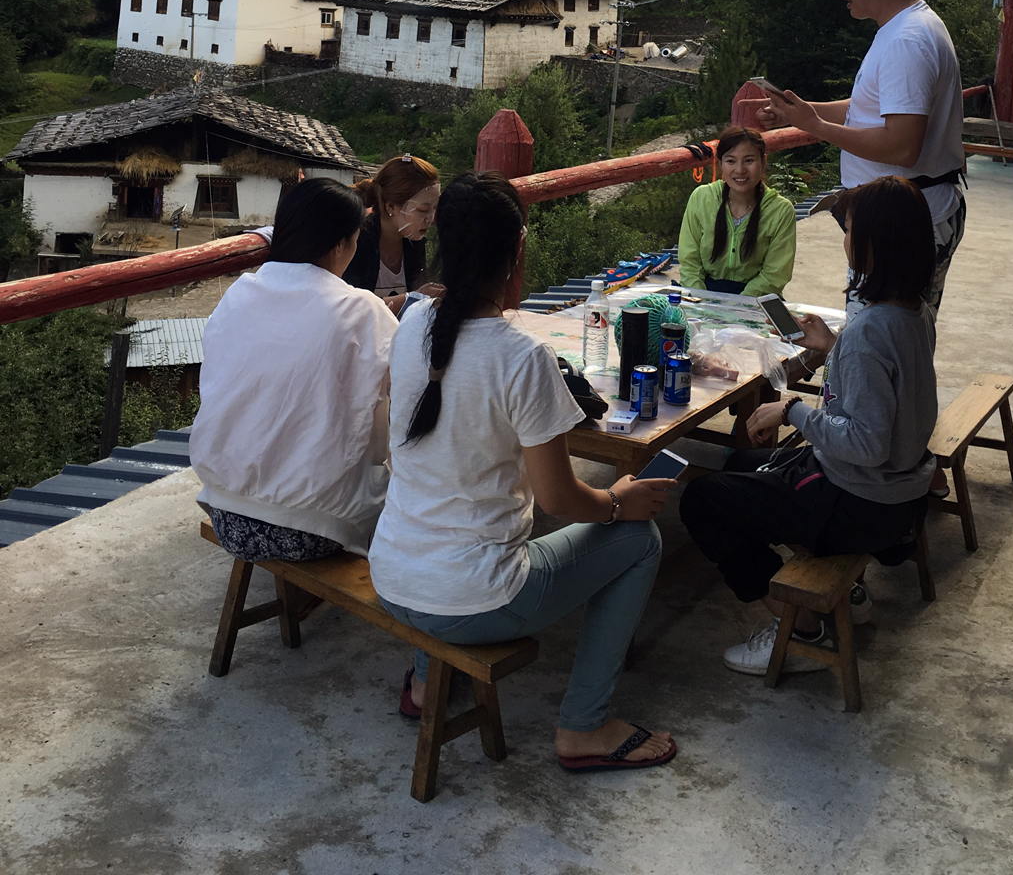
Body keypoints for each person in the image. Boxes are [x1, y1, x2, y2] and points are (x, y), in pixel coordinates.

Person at [370, 171, 678, 774]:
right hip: (473, 599)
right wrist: (617, 501)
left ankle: (427, 684)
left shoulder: (411, 325)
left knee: (445, 520)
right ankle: (585, 726)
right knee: (641, 541)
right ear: (516, 253)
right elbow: (560, 499)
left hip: (392, 576)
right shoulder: (523, 356)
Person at [679, 176, 938, 677]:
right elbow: (887, 385)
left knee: (702, 501)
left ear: (874, 246)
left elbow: (863, 442)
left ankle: (798, 625)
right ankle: (849, 592)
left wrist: (790, 410)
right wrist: (833, 349)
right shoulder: (912, 311)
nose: (845, 240)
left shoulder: (869, 331)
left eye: (851, 231)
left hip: (861, 498)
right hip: (900, 490)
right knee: (741, 463)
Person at [759, 0, 966, 319]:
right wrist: (801, 111)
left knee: (881, 340)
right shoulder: (908, 27)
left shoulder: (906, 41)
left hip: (900, 224)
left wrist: (814, 126)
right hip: (906, 213)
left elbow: (903, 146)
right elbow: (869, 108)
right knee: (904, 340)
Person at [190, 178, 396, 562]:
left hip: (225, 513)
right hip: (313, 527)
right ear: (341, 245)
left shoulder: (240, 294)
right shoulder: (361, 310)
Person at [677, 126, 797, 295]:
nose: (740, 170)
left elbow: (774, 275)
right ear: (720, 164)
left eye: (749, 160)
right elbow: (690, 263)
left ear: (763, 162)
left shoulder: (780, 210)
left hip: (755, 300)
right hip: (704, 294)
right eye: (731, 161)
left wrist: (737, 307)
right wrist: (701, 302)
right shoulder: (702, 198)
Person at [343, 154, 445, 312]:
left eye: (435, 208)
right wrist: (413, 298)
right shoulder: (357, 239)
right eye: (423, 210)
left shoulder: (414, 241)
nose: (431, 219)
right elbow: (350, 306)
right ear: (390, 206)